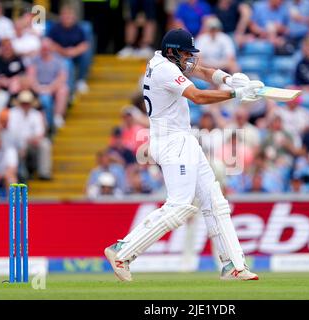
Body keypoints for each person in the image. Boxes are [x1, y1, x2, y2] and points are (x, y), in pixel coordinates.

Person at [104, 28, 262, 281]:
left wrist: (230, 80)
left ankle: (233, 265)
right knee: (179, 206)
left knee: (215, 202)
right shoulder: (165, 69)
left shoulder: (166, 60)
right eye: (186, 53)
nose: (189, 59)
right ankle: (122, 250)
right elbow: (197, 97)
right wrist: (235, 95)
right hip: (171, 141)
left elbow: (202, 71)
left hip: (182, 139)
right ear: (172, 52)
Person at [48, 5, 90, 93]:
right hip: (59, 56)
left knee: (86, 54)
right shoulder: (55, 28)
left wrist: (73, 51)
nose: (67, 17)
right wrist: (63, 52)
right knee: (67, 64)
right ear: (61, 16)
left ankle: (81, 80)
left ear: (74, 17)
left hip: (75, 55)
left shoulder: (78, 28)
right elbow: (49, 43)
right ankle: (70, 92)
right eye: (65, 14)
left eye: (69, 15)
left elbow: (85, 45)